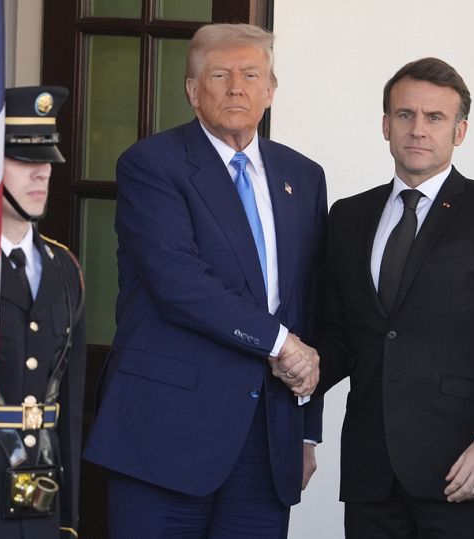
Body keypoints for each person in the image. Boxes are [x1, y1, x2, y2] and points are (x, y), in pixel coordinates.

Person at [273, 57, 474, 538]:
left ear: (459, 131)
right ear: (385, 124)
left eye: (435, 117)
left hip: (463, 470)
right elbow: (342, 336)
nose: (418, 129)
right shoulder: (349, 216)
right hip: (371, 474)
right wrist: (304, 365)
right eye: (405, 115)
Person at [83, 23, 327, 538]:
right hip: (165, 437)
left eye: (251, 74)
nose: (237, 86)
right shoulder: (152, 164)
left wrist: (305, 432)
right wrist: (281, 344)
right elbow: (178, 281)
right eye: (220, 74)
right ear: (194, 91)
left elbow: (307, 302)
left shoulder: (303, 176)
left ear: (271, 90)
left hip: (266, 443)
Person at [0, 86, 86, 538]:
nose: (41, 174)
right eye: (22, 161)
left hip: (41, 488)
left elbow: (70, 405)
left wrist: (69, 519)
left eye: (47, 162)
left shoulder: (65, 268)